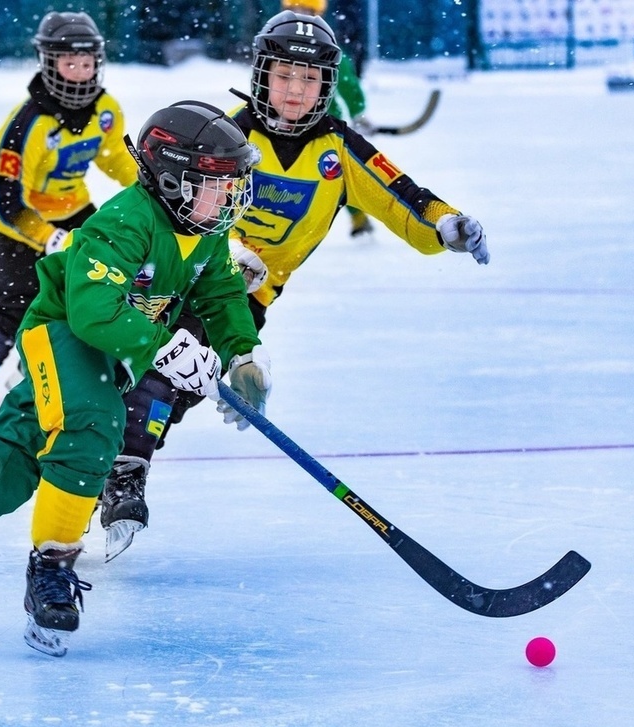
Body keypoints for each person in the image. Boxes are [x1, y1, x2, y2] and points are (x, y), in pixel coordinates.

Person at [0, 101, 270, 657]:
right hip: (63, 334)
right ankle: (51, 568)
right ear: (175, 179)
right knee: (96, 425)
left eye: (233, 183)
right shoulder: (124, 222)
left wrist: (242, 354)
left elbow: (221, 293)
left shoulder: (202, 233)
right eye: (216, 183)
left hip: (112, 352)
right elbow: (92, 312)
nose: (229, 196)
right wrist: (165, 346)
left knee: (5, 473)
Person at [97, 10, 490, 560]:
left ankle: (120, 466)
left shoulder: (339, 150)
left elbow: (402, 194)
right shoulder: (226, 135)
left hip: (246, 298)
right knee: (150, 374)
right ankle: (117, 474)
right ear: (261, 75)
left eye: (309, 80)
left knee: (179, 385)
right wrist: (227, 252)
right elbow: (163, 201)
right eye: (284, 76)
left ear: (327, 86)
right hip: (183, 274)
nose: (295, 91)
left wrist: (445, 226)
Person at [0, 11, 139, 452]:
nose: (81, 73)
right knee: (10, 310)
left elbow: (117, 161)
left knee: (97, 293)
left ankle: (42, 380)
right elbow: (6, 206)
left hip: (69, 210)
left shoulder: (105, 111)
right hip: (7, 223)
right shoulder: (27, 126)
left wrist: (152, 190)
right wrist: (50, 238)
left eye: (88, 63)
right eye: (69, 63)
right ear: (48, 62)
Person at [283, 0, 373, 237]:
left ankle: (358, 216)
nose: (297, 17)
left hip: (324, 125)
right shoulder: (277, 43)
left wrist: (359, 114)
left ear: (316, 15)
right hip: (286, 122)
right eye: (292, 11)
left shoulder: (326, 47)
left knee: (335, 173)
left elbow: (348, 84)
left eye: (303, 11)